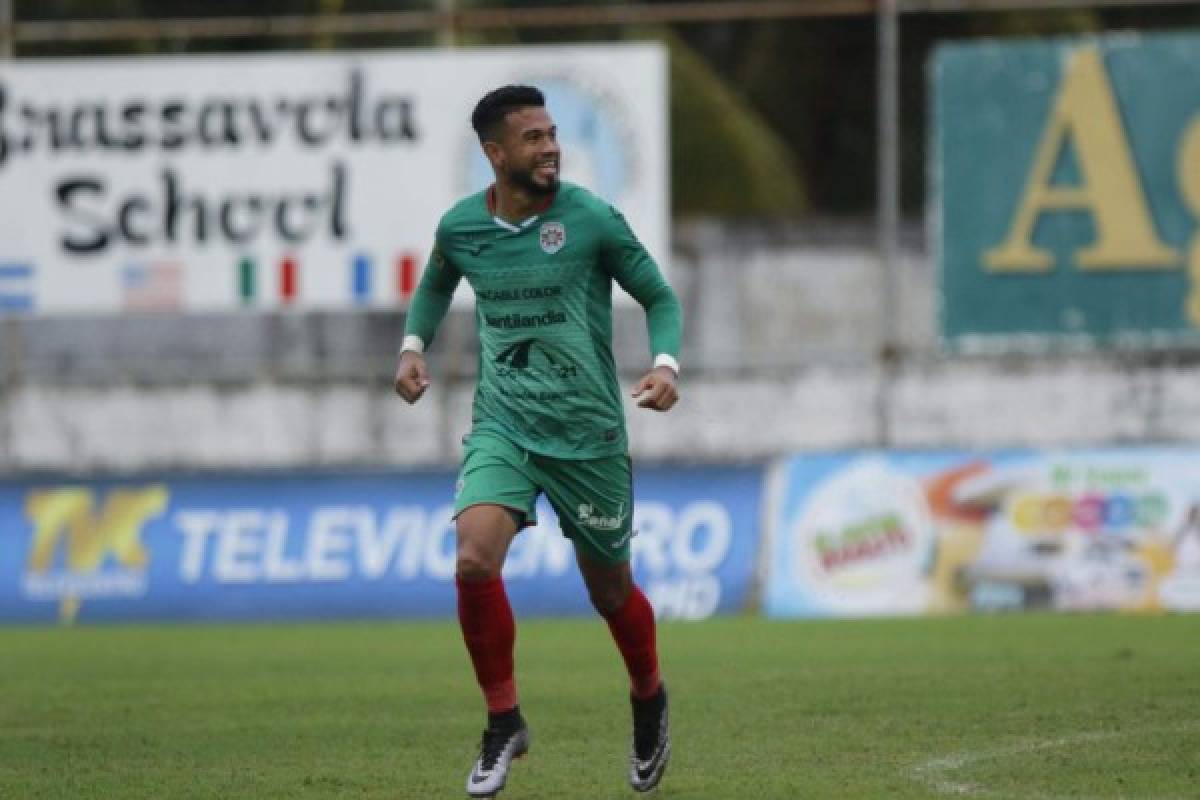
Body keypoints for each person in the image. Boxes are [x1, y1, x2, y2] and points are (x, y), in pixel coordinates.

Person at [393, 85, 683, 798]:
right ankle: (503, 722)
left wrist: (667, 364)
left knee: (610, 592)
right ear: (495, 154)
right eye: (533, 137)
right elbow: (435, 287)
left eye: (553, 134)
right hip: (505, 426)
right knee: (471, 560)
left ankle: (648, 695)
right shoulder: (462, 227)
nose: (551, 146)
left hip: (587, 435)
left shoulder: (589, 218)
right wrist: (411, 345)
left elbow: (660, 297)